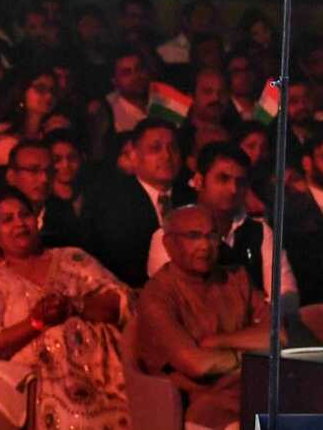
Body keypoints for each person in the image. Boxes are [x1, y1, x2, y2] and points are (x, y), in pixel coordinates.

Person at [0, 187, 131, 430]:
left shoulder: (72, 258)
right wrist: (36, 323)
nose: (19, 223)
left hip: (109, 374)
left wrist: (75, 306)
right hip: (47, 383)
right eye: (8, 220)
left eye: (24, 215)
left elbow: (121, 302)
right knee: (79, 419)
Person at [139, 204, 273, 430]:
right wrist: (251, 356)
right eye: (193, 236)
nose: (205, 245)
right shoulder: (158, 294)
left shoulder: (236, 277)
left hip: (256, 390)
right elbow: (197, 364)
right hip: (208, 406)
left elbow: (278, 336)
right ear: (168, 244)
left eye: (212, 236)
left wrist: (217, 342)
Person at [146, 141, 297, 300]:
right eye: (223, 179)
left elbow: (285, 292)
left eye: (240, 182)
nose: (233, 189)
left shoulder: (260, 232)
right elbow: (177, 300)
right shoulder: (168, 233)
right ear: (198, 181)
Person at [84, 116, 191, 287]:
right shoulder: (111, 202)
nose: (167, 156)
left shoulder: (192, 198)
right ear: (134, 155)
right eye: (155, 149)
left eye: (173, 148)